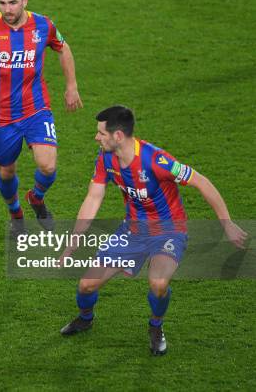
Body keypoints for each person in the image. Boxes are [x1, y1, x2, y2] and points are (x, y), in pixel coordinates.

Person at [59, 105, 248, 355]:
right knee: (86, 285)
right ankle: (85, 318)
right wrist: (74, 241)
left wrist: (227, 223)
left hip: (168, 231)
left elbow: (201, 181)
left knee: (158, 283)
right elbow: (93, 198)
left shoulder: (156, 160)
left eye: (101, 133)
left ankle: (156, 326)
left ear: (117, 136)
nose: (96, 138)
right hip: (133, 231)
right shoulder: (105, 158)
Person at [0, 0, 83, 235]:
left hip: (36, 108)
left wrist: (71, 86)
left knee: (48, 165)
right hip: (3, 115)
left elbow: (63, 49)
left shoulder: (43, 25)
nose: (7, 9)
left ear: (25, 1)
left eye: (13, 3)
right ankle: (15, 211)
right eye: (2, 3)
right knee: (7, 171)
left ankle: (36, 198)